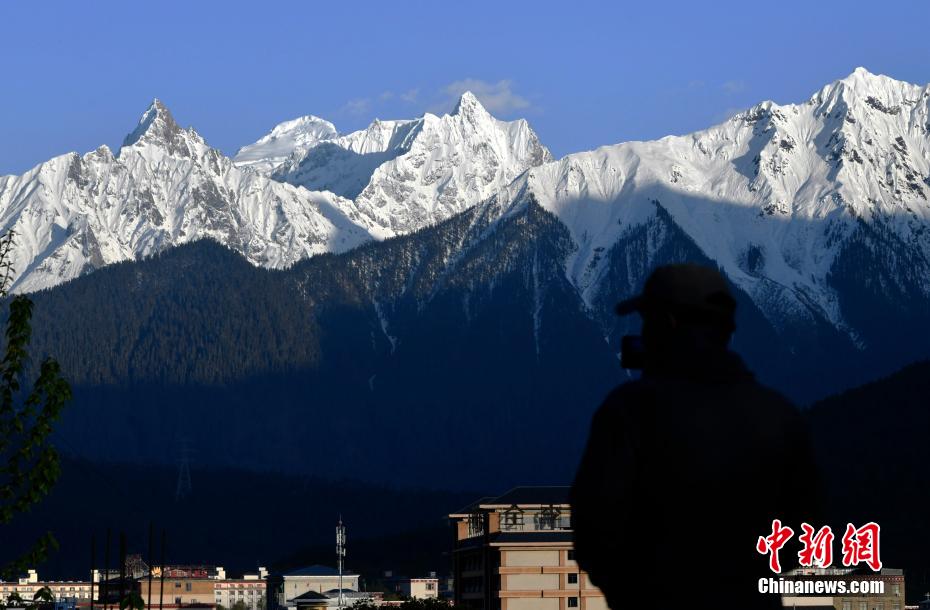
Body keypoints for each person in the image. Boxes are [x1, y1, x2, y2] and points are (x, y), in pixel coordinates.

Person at [570, 264, 821, 610]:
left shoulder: (629, 412)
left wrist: (633, 593)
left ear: (667, 323)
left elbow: (593, 530)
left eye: (647, 320)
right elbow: (807, 525)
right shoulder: (780, 415)